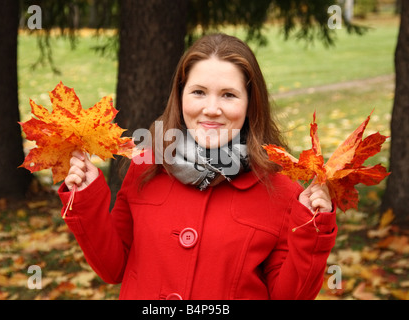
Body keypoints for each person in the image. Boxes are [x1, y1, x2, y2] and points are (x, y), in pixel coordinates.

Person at [58, 33, 337, 300]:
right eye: (199, 92)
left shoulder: (282, 192)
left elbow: (288, 296)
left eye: (229, 95)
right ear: (180, 97)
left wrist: (313, 228)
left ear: (251, 104)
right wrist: (86, 197)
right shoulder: (147, 166)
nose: (212, 108)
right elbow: (112, 268)